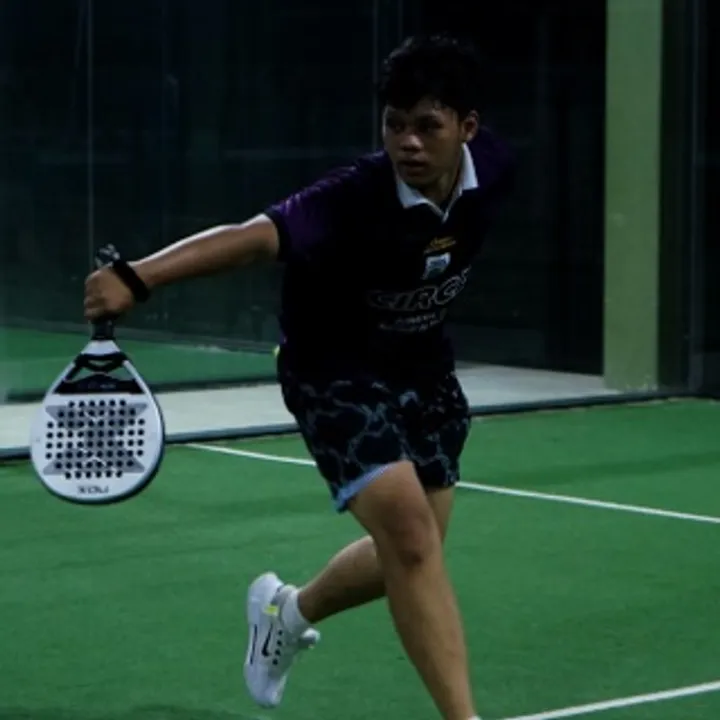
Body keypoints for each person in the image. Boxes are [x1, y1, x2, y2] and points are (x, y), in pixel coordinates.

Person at [84, 33, 515, 720]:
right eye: (394, 125)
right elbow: (253, 237)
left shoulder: (492, 167)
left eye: (426, 126)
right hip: (332, 370)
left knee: (418, 548)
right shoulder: (350, 197)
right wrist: (139, 277)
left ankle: (286, 613)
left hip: (425, 367)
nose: (407, 143)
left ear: (467, 128)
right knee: (409, 538)